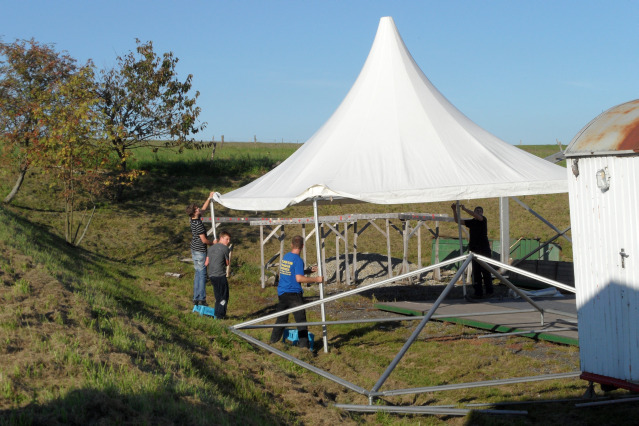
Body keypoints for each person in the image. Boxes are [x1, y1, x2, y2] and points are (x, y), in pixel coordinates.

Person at [269, 235, 323, 349]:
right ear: (302, 246)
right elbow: (299, 278)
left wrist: (308, 271)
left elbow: (292, 272)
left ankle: (273, 342)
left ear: (291, 245)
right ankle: (304, 347)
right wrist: (316, 279)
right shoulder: (298, 260)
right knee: (301, 321)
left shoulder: (286, 257)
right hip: (293, 294)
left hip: (282, 292)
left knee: (281, 319)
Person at [451, 203, 493, 299]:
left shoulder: (483, 220)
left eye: (480, 211)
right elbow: (457, 221)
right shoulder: (472, 222)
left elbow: (478, 217)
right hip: (475, 249)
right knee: (476, 272)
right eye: (476, 210)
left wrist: (465, 209)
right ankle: (478, 292)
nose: (478, 212)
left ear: (482, 213)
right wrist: (454, 210)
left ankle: (489, 291)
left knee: (486, 270)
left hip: (484, 249)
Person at [186, 191, 217, 306]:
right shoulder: (198, 224)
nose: (199, 208)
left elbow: (203, 209)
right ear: (194, 213)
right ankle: (202, 299)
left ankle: (196, 298)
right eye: (196, 208)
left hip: (194, 249)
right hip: (200, 251)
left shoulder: (193, 219)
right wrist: (213, 243)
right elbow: (204, 240)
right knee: (202, 275)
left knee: (198, 274)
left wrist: (209, 198)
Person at [206, 230, 231, 319]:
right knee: (224, 296)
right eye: (227, 239)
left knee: (218, 296)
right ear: (221, 238)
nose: (228, 241)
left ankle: (216, 313)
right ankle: (221, 315)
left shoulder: (210, 248)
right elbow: (227, 263)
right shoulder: (225, 249)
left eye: (229, 240)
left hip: (211, 275)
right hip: (220, 274)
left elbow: (206, 262)